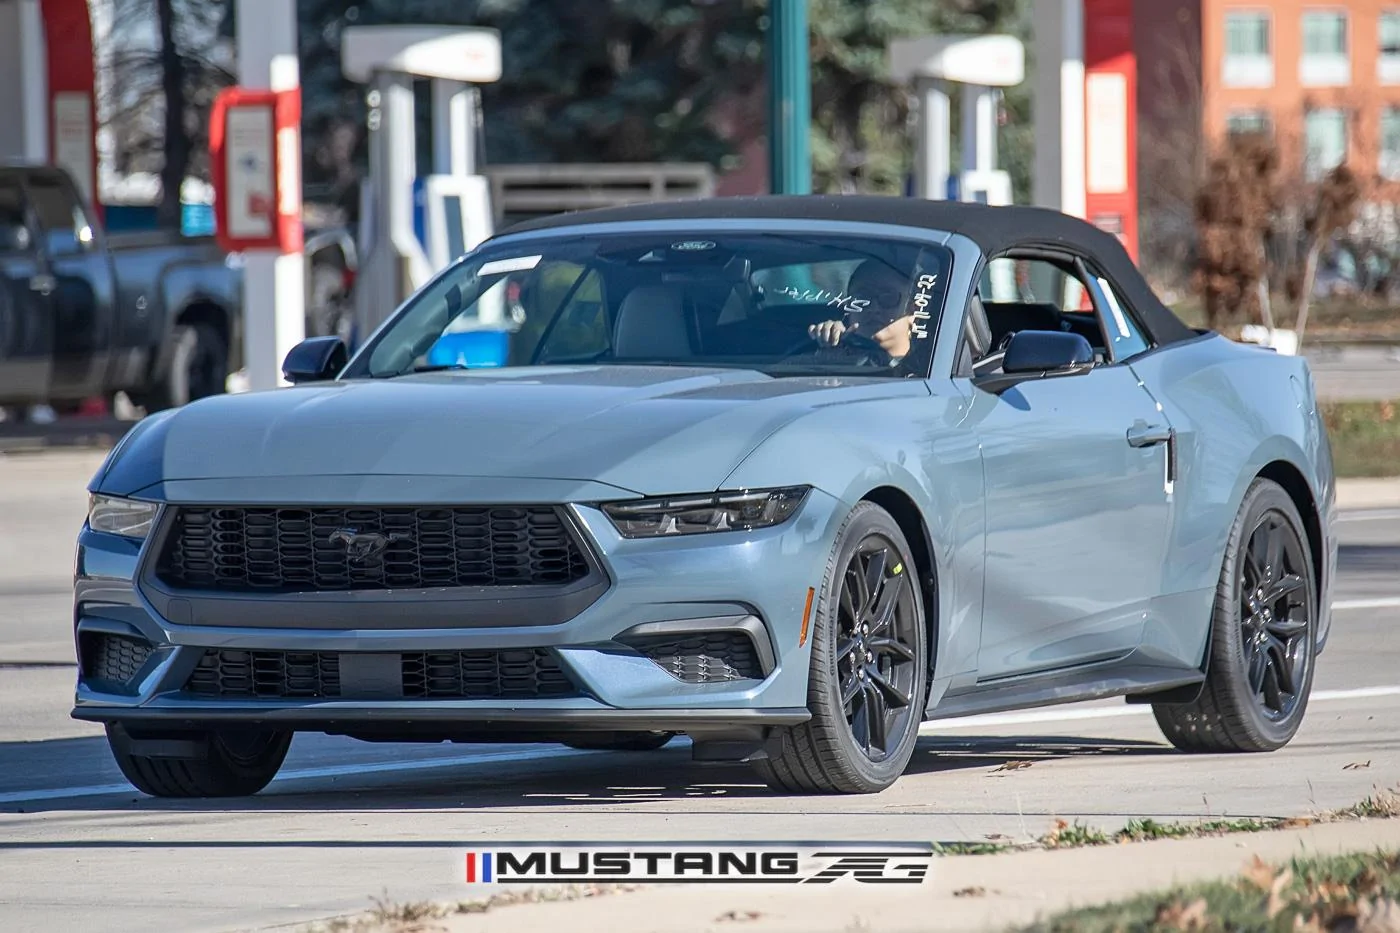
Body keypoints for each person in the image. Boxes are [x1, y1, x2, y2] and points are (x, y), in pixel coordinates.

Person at [807, 258, 915, 360]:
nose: (873, 308)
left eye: (888, 298)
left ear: (912, 310)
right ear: (848, 309)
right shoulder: (835, 356)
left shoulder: (928, 367)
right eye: (862, 299)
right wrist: (829, 352)